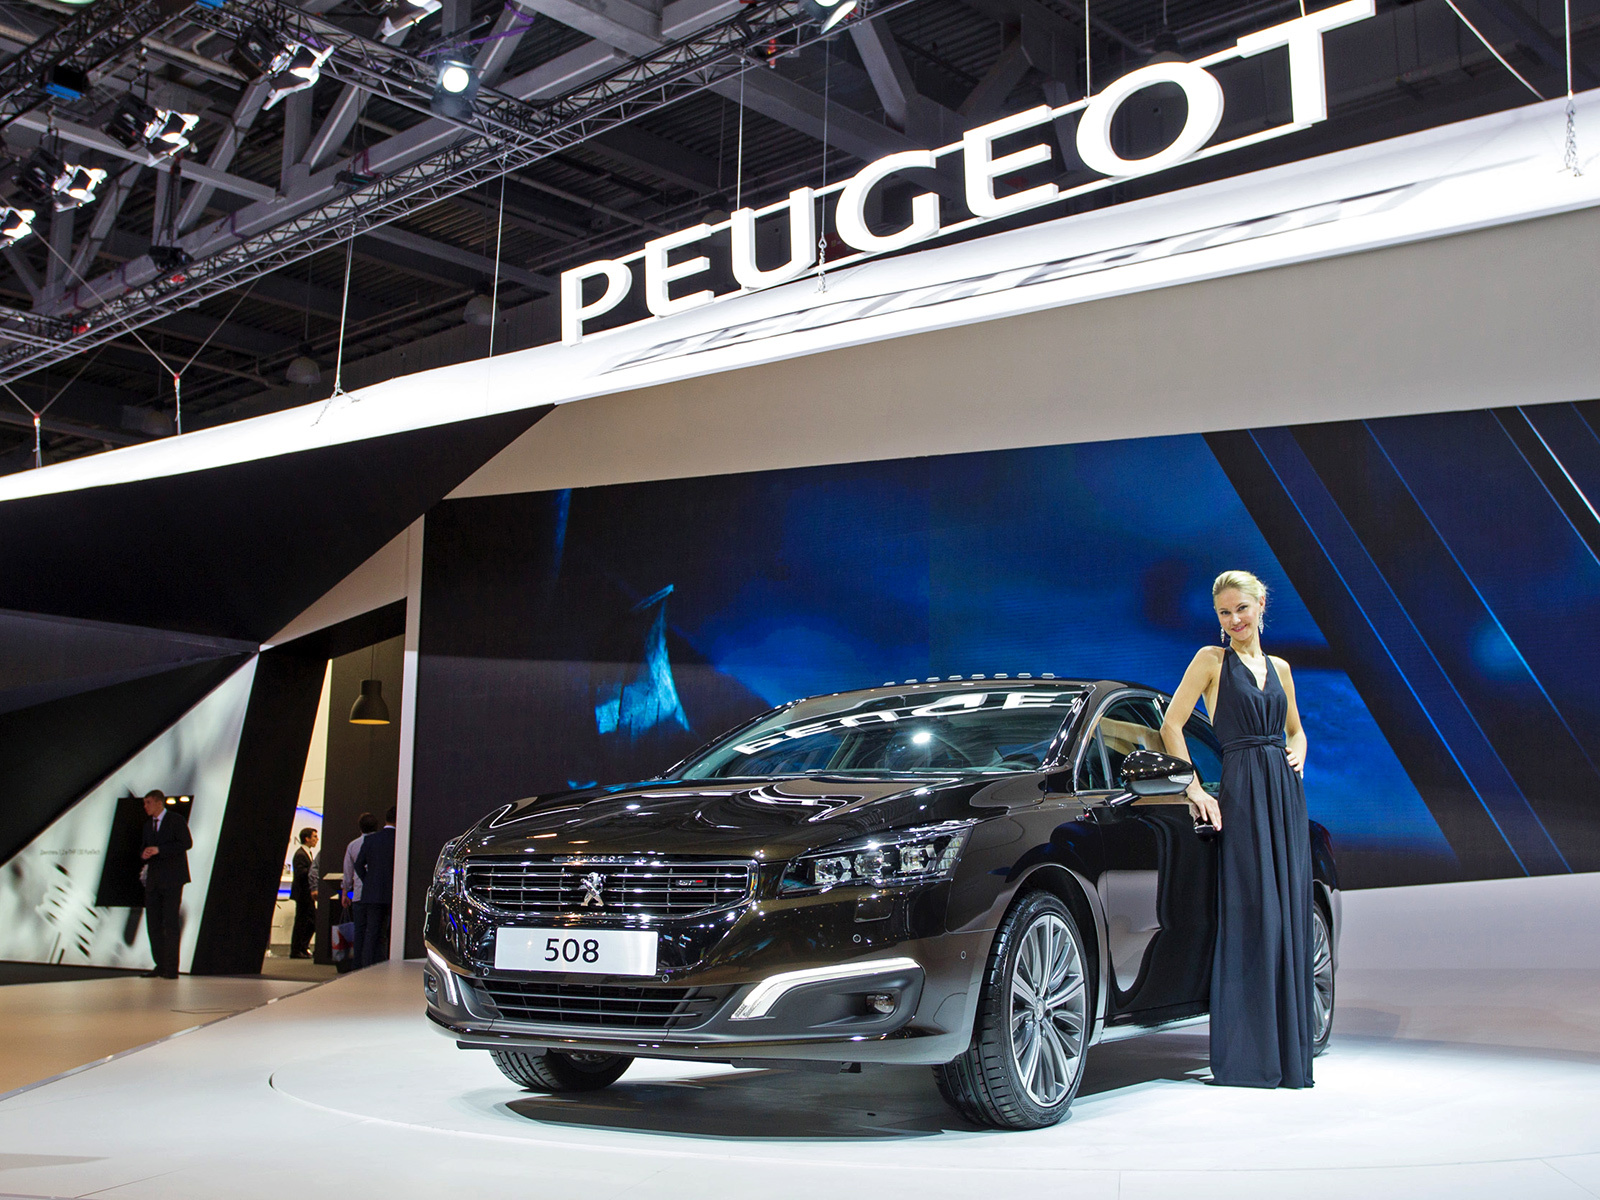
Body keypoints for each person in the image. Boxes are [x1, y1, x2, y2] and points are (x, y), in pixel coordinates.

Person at [1159, 569, 1315, 1089]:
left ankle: (1288, 1054)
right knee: (1253, 911)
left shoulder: (1282, 668)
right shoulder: (1210, 660)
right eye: (1225, 613)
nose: (1234, 620)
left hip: (1285, 797)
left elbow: (1296, 730)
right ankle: (1252, 1056)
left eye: (1241, 609)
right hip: (1243, 792)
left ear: (1261, 604)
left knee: (1287, 912)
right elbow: (1171, 725)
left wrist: (1298, 752)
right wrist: (1194, 788)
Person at [139, 790, 192, 979]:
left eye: (148, 802)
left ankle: (171, 968)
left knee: (170, 923)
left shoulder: (175, 820)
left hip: (172, 879)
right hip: (153, 880)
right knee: (153, 924)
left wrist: (160, 849)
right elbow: (143, 847)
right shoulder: (148, 825)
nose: (145, 806)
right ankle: (160, 964)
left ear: (159, 803)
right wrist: (144, 853)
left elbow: (186, 843)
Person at [353, 807, 397, 969]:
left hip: (372, 892)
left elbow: (358, 864)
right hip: (393, 892)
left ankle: (367, 967)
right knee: (390, 933)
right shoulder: (399, 839)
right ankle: (386, 964)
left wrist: (368, 880)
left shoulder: (371, 840)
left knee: (371, 932)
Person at [342, 812, 379, 966]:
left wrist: (345, 892)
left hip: (358, 893)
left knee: (359, 931)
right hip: (376, 894)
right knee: (374, 932)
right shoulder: (379, 843)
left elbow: (348, 871)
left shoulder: (353, 845)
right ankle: (371, 963)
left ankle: (357, 963)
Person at [290, 827, 320, 959]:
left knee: (309, 921)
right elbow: (301, 873)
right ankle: (297, 949)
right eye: (314, 837)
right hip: (303, 893)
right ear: (307, 838)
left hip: (306, 893)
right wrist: (314, 871)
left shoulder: (307, 853)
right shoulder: (300, 854)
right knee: (303, 921)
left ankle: (302, 947)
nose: (316, 839)